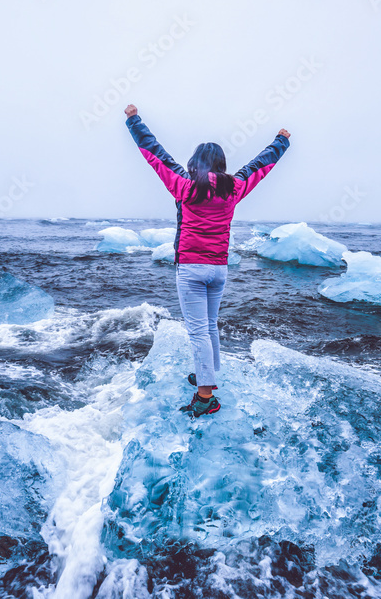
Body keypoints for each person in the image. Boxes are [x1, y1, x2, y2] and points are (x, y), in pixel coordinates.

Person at [123, 103, 291, 418]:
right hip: (218, 269)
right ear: (221, 164)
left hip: (191, 268)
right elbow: (260, 165)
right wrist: (281, 141)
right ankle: (208, 375)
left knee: (198, 331)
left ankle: (205, 397)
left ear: (194, 164)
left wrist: (133, 120)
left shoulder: (184, 186)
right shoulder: (235, 188)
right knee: (209, 325)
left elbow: (155, 153)